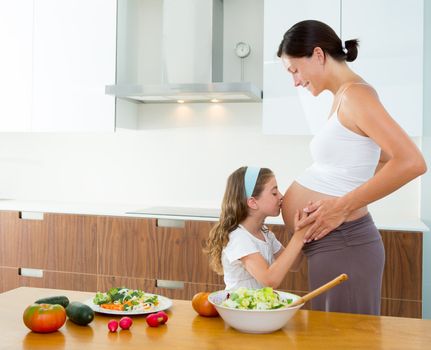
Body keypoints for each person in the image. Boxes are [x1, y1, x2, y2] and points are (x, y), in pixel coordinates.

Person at [277, 20, 427, 315]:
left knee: (345, 340)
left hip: (344, 241)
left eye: (295, 69)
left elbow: (412, 162)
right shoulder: (343, 96)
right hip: (334, 242)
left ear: (318, 55)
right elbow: (382, 158)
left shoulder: (357, 95)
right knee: (332, 338)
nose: (295, 81)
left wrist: (342, 206)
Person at [205, 166, 308, 290]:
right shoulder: (238, 238)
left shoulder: (266, 234)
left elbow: (294, 264)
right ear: (253, 202)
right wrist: (299, 236)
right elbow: (269, 280)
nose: (281, 196)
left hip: (256, 308)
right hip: (239, 308)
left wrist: (298, 230)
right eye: (274, 193)